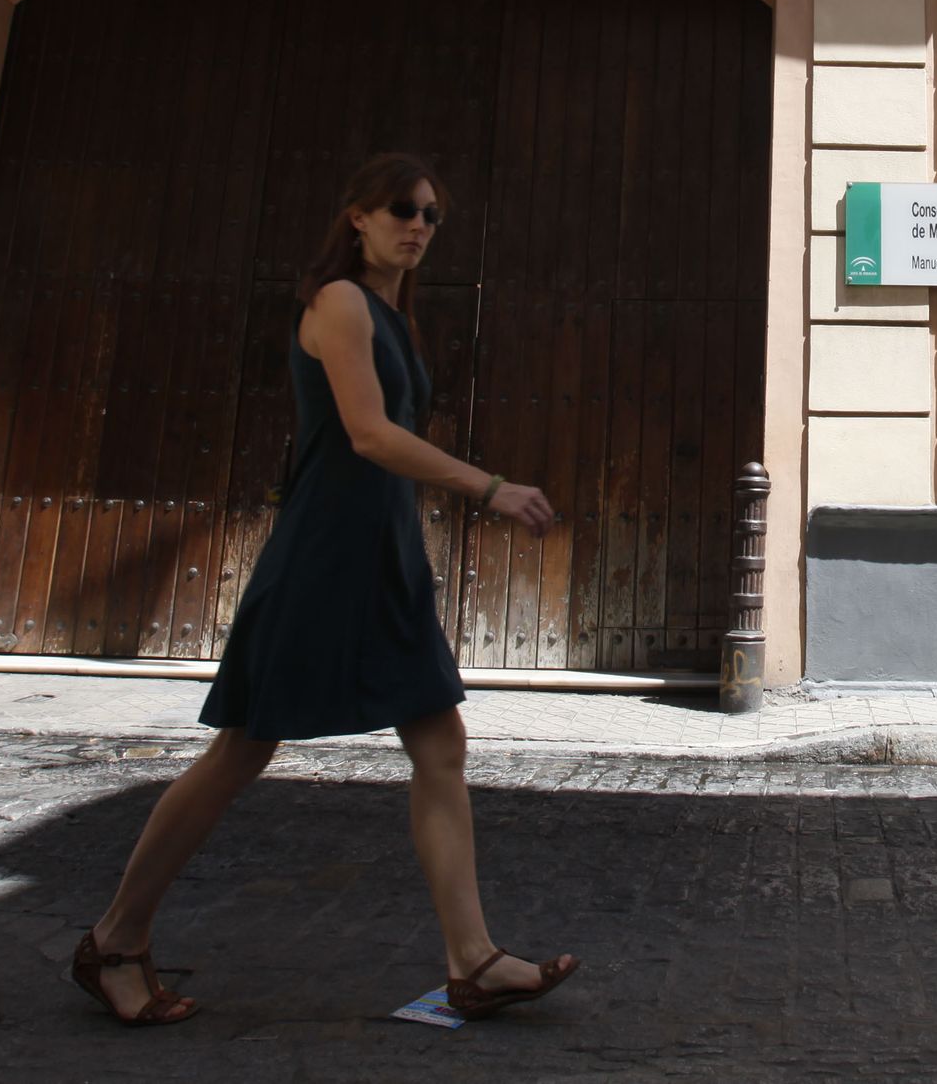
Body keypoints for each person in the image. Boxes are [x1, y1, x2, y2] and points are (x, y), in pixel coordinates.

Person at [71, 152, 577, 1026]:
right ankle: (114, 940)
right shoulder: (339, 302)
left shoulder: (394, 315)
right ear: (358, 217)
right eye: (402, 209)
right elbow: (369, 435)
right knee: (242, 750)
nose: (418, 226)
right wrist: (489, 487)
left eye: (431, 215)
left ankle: (473, 961)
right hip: (324, 555)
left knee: (440, 744)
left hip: (383, 554)